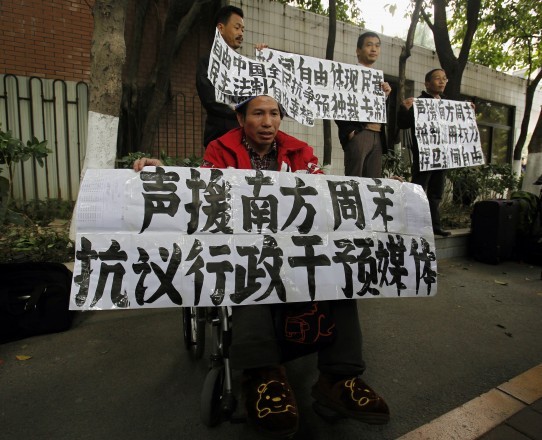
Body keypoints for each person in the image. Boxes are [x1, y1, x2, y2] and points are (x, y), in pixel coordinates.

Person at [134, 95, 389, 439]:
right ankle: (263, 376)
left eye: (274, 113)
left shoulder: (300, 152)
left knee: (341, 273)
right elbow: (199, 188)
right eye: (258, 114)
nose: (268, 122)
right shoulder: (220, 151)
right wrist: (164, 173)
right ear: (241, 119)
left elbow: (323, 192)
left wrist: (386, 194)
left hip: (294, 247)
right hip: (244, 251)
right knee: (247, 273)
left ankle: (340, 378)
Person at [397, 68, 451, 237]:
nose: (442, 81)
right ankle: (413, 225)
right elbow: (403, 124)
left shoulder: (448, 105)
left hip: (442, 154)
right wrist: (404, 109)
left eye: (444, 78)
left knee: (436, 193)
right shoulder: (418, 102)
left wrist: (468, 110)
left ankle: (435, 226)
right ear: (427, 83)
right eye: (437, 78)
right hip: (424, 154)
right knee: (418, 189)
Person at [335, 32, 392, 178]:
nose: (374, 49)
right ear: (358, 50)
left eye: (377, 46)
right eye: (369, 45)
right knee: (355, 179)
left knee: (373, 181)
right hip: (359, 132)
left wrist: (385, 96)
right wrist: (350, 131)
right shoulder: (348, 75)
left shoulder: (379, 79)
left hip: (377, 134)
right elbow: (337, 103)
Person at [196, 5, 245, 148]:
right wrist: (241, 112)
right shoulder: (208, 62)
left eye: (243, 30)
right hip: (219, 138)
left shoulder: (244, 65)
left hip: (244, 139)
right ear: (220, 28)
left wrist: (264, 57)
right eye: (237, 28)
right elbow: (210, 99)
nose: (241, 33)